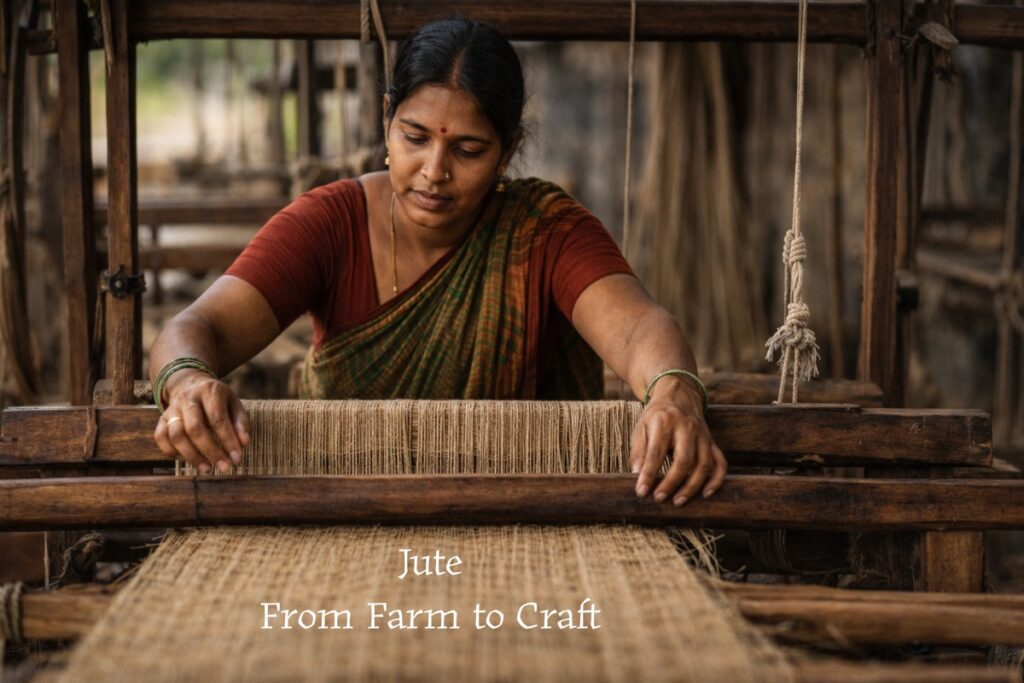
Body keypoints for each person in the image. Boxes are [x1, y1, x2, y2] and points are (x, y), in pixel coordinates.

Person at [149, 17, 727, 507]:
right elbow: (197, 327)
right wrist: (188, 381)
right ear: (386, 121)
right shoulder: (329, 224)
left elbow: (637, 327)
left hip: (511, 507)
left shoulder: (544, 232)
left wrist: (673, 394)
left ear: (508, 151)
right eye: (415, 138)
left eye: (468, 150)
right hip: (338, 501)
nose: (434, 171)